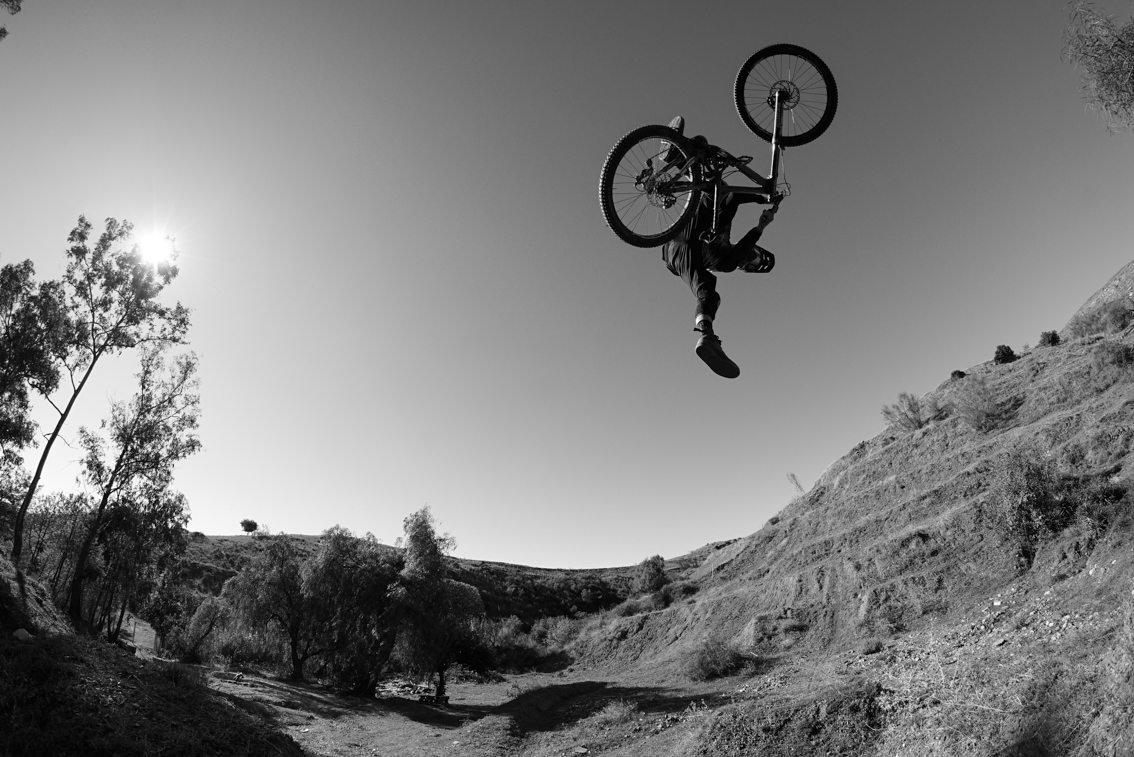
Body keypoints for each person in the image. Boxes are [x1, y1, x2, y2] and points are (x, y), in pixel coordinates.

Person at [660, 116, 777, 379]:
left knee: (709, 291)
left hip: (679, 251)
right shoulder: (724, 234)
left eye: (751, 265)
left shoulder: (726, 262)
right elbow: (734, 198)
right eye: (755, 258)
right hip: (683, 244)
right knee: (716, 186)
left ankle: (707, 338)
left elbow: (738, 253)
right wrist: (763, 198)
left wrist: (759, 229)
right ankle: (679, 156)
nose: (750, 260)